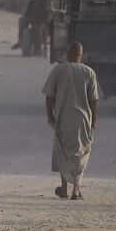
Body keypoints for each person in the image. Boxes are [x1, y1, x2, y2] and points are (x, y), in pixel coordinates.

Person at [43, 42, 98, 200]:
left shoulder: (58, 70)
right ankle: (76, 190)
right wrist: (93, 121)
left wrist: (50, 115)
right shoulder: (89, 72)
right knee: (81, 153)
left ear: (68, 54)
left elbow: (49, 96)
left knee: (63, 152)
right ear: (81, 55)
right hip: (83, 120)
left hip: (63, 118)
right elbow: (94, 100)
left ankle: (64, 189)